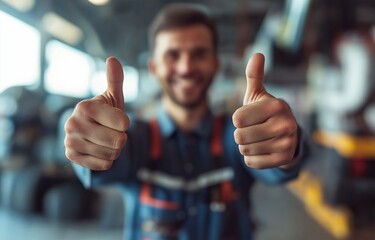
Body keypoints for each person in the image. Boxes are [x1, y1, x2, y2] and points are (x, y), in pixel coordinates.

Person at [64, 3, 306, 240]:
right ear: (154, 67)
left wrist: (286, 143)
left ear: (215, 64)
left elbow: (280, 165)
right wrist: (87, 137)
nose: (186, 67)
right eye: (172, 55)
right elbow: (103, 163)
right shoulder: (134, 140)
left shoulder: (237, 136)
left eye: (199, 54)